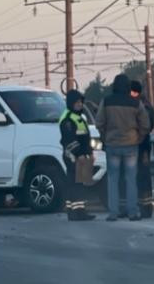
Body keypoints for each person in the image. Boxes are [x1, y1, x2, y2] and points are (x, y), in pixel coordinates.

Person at [96, 74, 151, 222]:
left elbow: (99, 122)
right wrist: (139, 137)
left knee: (113, 179)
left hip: (112, 145)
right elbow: (145, 124)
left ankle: (113, 213)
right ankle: (132, 212)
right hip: (131, 145)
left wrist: (104, 137)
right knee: (131, 179)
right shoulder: (135, 103)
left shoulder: (106, 101)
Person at [59, 89, 96, 221]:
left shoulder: (78, 117)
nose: (80, 104)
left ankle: (80, 210)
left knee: (80, 184)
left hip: (82, 156)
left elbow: (85, 138)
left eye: (81, 102)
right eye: (77, 102)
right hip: (73, 157)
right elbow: (69, 140)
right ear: (71, 103)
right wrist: (79, 155)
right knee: (74, 184)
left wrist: (90, 153)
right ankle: (74, 212)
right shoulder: (68, 119)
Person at [130, 80, 154, 219]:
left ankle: (145, 207)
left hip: (140, 145)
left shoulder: (141, 106)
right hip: (143, 144)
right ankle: (144, 207)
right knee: (142, 175)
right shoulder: (146, 105)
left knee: (142, 176)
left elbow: (145, 126)